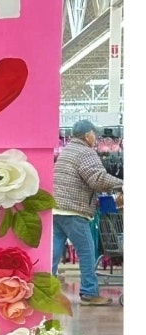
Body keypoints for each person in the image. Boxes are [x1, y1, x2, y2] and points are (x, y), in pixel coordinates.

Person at [53, 118, 123, 306]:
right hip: (74, 210)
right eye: (95, 134)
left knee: (54, 252)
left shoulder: (67, 151)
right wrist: (122, 183)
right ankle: (89, 293)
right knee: (87, 252)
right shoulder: (86, 152)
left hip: (57, 209)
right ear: (87, 135)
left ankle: (44, 290)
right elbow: (98, 179)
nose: (97, 137)